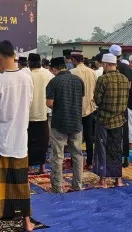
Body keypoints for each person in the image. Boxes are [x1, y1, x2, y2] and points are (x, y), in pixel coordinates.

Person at [0, 40, 34, 232]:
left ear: (0, 58)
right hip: (20, 138)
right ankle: (26, 221)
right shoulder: (27, 78)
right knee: (20, 182)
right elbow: (28, 103)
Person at [46, 57, 84, 193]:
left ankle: (57, 187)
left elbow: (49, 103)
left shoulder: (54, 82)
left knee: (57, 155)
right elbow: (80, 98)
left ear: (54, 69)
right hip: (76, 121)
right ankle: (77, 184)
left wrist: (61, 105)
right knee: (77, 154)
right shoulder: (78, 80)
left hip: (59, 123)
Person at [93, 53, 129, 188]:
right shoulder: (125, 79)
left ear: (106, 64)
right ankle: (118, 179)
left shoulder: (103, 79)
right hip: (119, 119)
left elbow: (97, 99)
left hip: (104, 120)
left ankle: (103, 180)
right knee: (116, 149)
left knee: (102, 148)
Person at [70, 51, 97, 170]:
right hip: (90, 107)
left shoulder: (72, 72)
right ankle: (90, 161)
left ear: (73, 60)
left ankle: (75, 162)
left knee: (75, 136)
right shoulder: (92, 72)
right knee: (89, 136)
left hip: (75, 108)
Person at [28, 53, 53, 174]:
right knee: (43, 141)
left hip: (29, 113)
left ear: (29, 63)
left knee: (29, 141)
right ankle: (42, 166)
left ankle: (29, 166)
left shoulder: (27, 75)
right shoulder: (48, 74)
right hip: (44, 112)